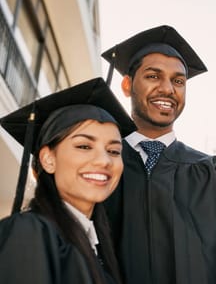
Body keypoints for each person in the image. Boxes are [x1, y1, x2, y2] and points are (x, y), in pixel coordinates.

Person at [101, 25, 216, 284]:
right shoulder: (102, 166)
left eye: (178, 81)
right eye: (153, 76)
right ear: (127, 85)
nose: (167, 89)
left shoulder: (210, 171)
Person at [0, 77, 135, 284]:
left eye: (114, 151)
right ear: (48, 159)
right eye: (84, 146)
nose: (104, 160)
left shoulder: (97, 248)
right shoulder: (28, 232)